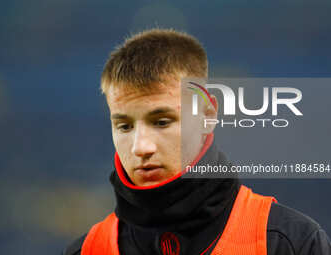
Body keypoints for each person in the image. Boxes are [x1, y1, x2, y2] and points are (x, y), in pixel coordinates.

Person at [63, 28, 331, 255]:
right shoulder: (87, 249)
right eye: (124, 126)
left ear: (207, 115)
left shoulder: (291, 242)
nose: (141, 147)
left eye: (162, 122)